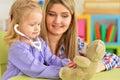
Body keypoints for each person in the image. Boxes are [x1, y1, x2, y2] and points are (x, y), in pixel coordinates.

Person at [2, 0, 77, 80]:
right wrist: (62, 72)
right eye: (32, 24)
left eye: (38, 24)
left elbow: (51, 59)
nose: (37, 28)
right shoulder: (17, 48)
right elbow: (34, 68)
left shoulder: (40, 42)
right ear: (17, 26)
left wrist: (65, 64)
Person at [40, 0, 120, 72]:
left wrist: (97, 67)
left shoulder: (76, 43)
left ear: (71, 19)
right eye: (52, 14)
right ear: (44, 16)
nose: (57, 21)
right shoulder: (33, 42)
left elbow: (115, 59)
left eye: (64, 16)